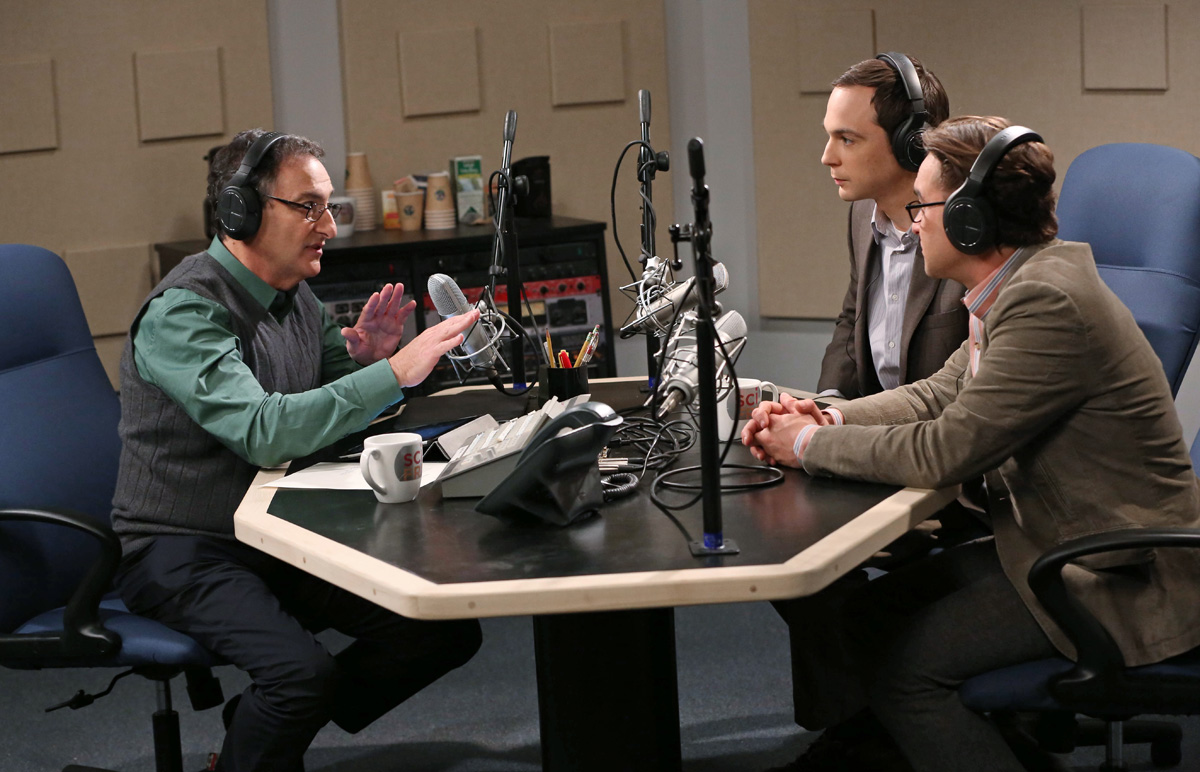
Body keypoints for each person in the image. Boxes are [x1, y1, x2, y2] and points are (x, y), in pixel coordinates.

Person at [746, 116, 1200, 771]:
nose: (914, 221)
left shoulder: (1047, 303)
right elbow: (936, 395)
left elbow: (944, 450)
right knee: (868, 614)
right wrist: (831, 418)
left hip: (1116, 577)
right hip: (1051, 545)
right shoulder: (1018, 286)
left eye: (924, 206)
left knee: (911, 674)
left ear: (969, 222)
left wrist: (807, 445)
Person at [111, 129, 484, 772]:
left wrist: (361, 365)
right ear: (242, 211)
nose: (329, 228)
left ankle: (256, 730)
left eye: (329, 207)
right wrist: (393, 372)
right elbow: (267, 431)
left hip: (266, 530)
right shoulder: (184, 311)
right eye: (308, 207)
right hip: (178, 547)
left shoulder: (295, 295)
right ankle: (267, 729)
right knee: (299, 677)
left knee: (440, 628)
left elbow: (331, 420)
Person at [816, 53, 964, 400]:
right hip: (876, 430)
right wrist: (828, 406)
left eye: (847, 139)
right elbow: (853, 319)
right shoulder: (861, 214)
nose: (827, 157)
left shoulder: (965, 228)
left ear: (912, 143)